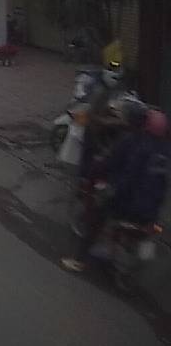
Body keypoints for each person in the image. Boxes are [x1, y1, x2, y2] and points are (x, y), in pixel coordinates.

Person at [62, 106, 170, 272]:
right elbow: (162, 184)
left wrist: (102, 182)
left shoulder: (132, 142)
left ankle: (79, 260)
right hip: (152, 212)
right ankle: (116, 254)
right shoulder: (165, 150)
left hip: (128, 204)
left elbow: (118, 170)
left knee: (97, 218)